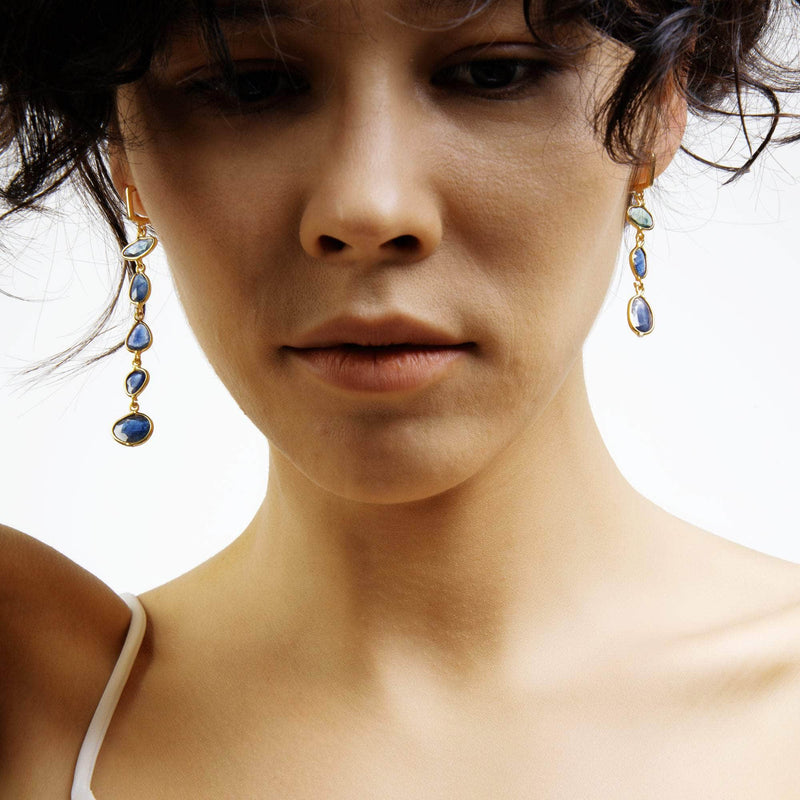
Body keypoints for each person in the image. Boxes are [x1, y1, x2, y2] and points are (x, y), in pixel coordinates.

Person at [2, 0, 800, 796]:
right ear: (121, 145)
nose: (369, 209)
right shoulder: (37, 697)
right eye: (250, 85)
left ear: (656, 108)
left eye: (493, 73)